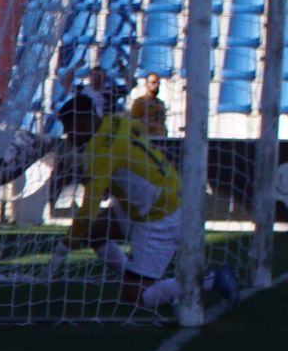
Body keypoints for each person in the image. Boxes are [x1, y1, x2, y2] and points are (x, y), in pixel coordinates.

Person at [57, 93, 237, 310]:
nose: (69, 137)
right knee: (96, 232)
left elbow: (87, 211)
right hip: (157, 196)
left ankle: (211, 279)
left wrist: (62, 249)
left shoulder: (100, 152)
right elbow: (136, 134)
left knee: (136, 300)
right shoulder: (117, 121)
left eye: (70, 130)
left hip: (159, 215)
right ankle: (133, 276)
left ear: (83, 121)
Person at [129, 71, 167, 137]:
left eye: (158, 82)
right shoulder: (140, 102)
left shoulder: (161, 103)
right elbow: (133, 122)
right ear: (147, 84)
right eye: (153, 82)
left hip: (161, 139)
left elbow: (162, 123)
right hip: (146, 139)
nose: (157, 85)